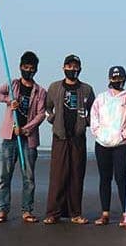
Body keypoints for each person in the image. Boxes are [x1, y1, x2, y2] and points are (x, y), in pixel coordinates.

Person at [0, 51, 47, 224]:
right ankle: (2, 210)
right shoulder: (12, 84)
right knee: (5, 176)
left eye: (32, 68)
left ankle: (27, 210)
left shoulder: (40, 91)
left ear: (36, 70)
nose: (28, 71)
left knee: (28, 177)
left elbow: (41, 114)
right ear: (21, 67)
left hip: (27, 140)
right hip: (9, 139)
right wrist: (8, 100)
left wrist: (25, 129)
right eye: (26, 67)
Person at [43, 54, 96, 225]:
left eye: (76, 67)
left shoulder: (87, 89)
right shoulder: (54, 87)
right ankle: (53, 213)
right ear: (63, 67)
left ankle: (75, 213)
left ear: (80, 68)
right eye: (69, 66)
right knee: (58, 176)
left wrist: (85, 122)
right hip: (60, 137)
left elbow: (94, 112)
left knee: (76, 175)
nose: (73, 69)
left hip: (78, 138)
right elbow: (46, 108)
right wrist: (52, 118)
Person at [91, 66, 126, 227]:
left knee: (121, 178)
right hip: (102, 144)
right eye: (114, 78)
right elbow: (94, 118)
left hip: (121, 144)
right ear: (109, 79)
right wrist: (99, 134)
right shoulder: (101, 98)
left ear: (125, 78)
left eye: (120, 78)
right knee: (105, 178)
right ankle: (105, 214)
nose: (117, 81)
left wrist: (123, 135)